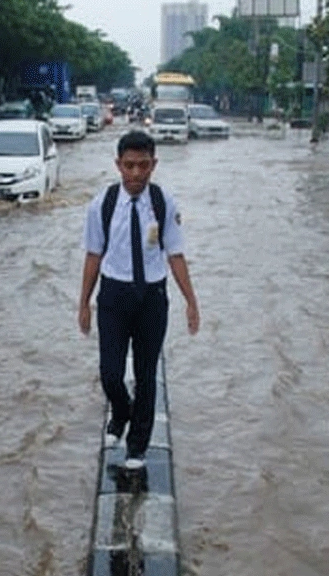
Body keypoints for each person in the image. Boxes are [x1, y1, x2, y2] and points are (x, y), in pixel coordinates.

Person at [78, 130, 200, 468]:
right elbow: (93, 255)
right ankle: (120, 411)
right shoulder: (101, 205)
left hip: (152, 298)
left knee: (146, 375)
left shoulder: (163, 203)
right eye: (129, 165)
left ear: (153, 164)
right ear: (118, 165)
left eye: (143, 166)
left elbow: (175, 254)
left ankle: (137, 445)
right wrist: (84, 303)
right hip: (114, 297)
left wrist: (191, 300)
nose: (135, 174)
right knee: (111, 374)